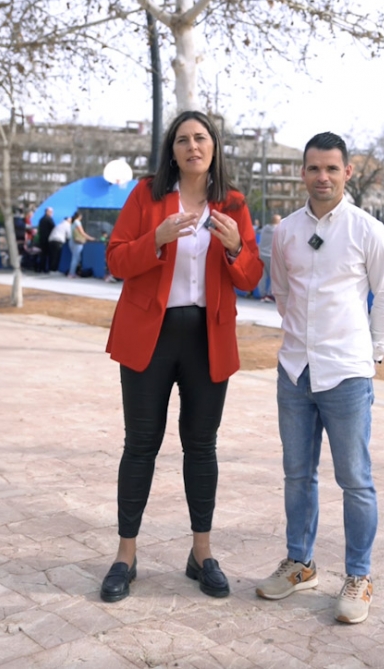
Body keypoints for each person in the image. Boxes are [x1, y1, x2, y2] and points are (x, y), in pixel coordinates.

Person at [101, 110, 263, 603]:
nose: (193, 146)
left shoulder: (232, 203)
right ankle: (125, 556)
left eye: (201, 138)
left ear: (214, 147)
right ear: (171, 151)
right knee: (141, 444)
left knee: (201, 445)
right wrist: (156, 239)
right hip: (150, 335)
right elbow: (114, 259)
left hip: (206, 339)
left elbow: (252, 276)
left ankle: (201, 554)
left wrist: (236, 248)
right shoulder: (148, 195)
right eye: (183, 139)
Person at [256, 132, 384, 625]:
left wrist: (373, 355)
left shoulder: (368, 231)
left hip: (347, 376)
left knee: (355, 481)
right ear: (303, 172)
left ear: (347, 173)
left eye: (331, 169)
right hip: (295, 371)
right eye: (314, 168)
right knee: (297, 475)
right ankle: (301, 563)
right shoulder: (287, 232)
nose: (322, 177)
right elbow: (281, 292)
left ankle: (358, 576)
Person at [258, 214, 281, 301]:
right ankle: (270, 294)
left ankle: (262, 294)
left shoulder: (264, 229)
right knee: (274, 276)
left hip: (261, 255)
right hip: (272, 256)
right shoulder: (278, 230)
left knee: (262, 276)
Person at [68, 211, 95, 278]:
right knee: (75, 258)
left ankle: (73, 272)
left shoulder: (73, 223)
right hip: (77, 242)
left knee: (76, 258)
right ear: (79, 216)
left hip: (72, 241)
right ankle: (71, 273)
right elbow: (82, 232)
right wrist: (90, 238)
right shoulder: (77, 222)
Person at [37, 207, 55, 273]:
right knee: (47, 255)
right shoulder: (49, 219)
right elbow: (53, 227)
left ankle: (40, 268)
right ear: (47, 212)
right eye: (51, 212)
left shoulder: (41, 219)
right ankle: (46, 269)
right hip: (47, 239)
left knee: (42, 254)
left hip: (42, 238)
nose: (52, 213)